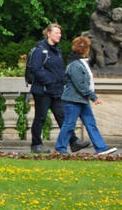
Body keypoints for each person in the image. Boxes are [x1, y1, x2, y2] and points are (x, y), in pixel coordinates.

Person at [27, 23, 90, 154]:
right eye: (56, 33)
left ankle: (73, 142)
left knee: (63, 117)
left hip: (56, 90)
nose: (59, 35)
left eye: (60, 33)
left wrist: (63, 80)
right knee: (41, 117)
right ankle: (36, 144)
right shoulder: (40, 49)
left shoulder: (57, 50)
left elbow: (58, 69)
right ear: (48, 33)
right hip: (43, 90)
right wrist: (48, 81)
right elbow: (36, 69)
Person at [55, 36, 117, 157]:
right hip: (72, 100)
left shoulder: (80, 63)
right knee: (69, 124)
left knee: (90, 123)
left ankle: (101, 148)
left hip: (81, 100)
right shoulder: (75, 65)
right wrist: (94, 97)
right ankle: (60, 148)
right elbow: (80, 85)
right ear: (85, 49)